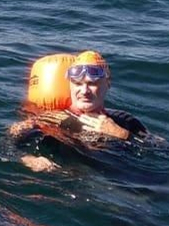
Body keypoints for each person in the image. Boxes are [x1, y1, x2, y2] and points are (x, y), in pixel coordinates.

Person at [10, 51, 148, 173]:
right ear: (70, 85)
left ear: (107, 84)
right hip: (71, 180)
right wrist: (28, 159)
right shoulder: (52, 119)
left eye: (92, 83)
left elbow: (156, 150)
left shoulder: (125, 121)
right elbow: (10, 147)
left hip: (131, 180)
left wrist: (122, 135)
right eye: (78, 84)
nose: (84, 91)